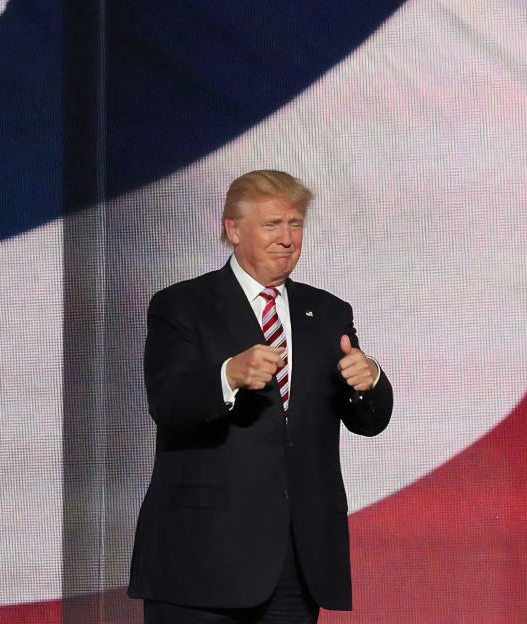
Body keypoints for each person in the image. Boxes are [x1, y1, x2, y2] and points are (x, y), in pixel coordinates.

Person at [128, 170, 394, 623]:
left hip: (297, 560)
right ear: (233, 229)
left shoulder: (328, 312)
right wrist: (228, 376)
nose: (287, 238)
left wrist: (370, 381)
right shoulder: (182, 306)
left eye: (294, 224)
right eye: (272, 225)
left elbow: (369, 421)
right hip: (201, 558)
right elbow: (169, 405)